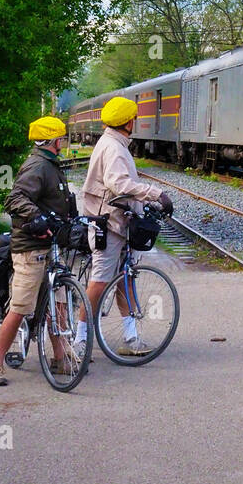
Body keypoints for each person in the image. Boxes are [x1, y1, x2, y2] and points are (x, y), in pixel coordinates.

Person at [0, 116, 79, 387]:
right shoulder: (38, 165)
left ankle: (60, 358)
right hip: (30, 248)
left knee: (59, 302)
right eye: (61, 138)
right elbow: (14, 199)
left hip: (52, 245)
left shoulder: (50, 164)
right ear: (53, 140)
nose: (63, 142)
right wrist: (36, 215)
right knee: (20, 307)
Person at [79, 96, 173, 356]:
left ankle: (130, 338)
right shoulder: (114, 148)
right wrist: (155, 194)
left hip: (118, 223)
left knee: (125, 280)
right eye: (135, 118)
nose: (137, 121)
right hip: (108, 225)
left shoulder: (114, 143)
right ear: (128, 122)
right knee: (99, 281)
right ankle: (78, 339)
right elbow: (118, 184)